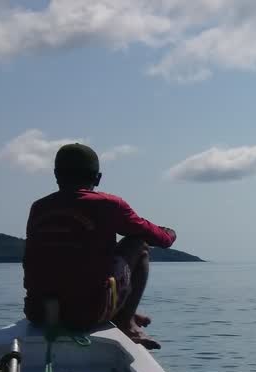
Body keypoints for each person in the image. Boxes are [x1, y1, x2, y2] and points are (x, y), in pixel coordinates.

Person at [23, 143, 177, 349]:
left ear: (56, 175)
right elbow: (161, 240)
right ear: (97, 178)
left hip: (39, 313)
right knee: (138, 244)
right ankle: (126, 322)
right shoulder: (108, 205)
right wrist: (169, 232)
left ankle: (121, 309)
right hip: (86, 315)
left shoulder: (39, 207)